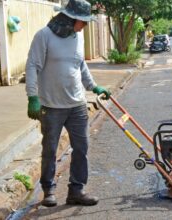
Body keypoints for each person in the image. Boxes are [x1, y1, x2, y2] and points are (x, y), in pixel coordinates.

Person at [25, 0, 110, 207]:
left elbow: (80, 66)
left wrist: (94, 86)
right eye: (83, 21)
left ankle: (77, 190)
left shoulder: (77, 37)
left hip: (77, 105)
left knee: (81, 148)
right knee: (50, 149)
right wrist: (32, 97)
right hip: (51, 106)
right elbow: (32, 66)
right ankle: (48, 191)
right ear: (71, 18)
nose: (85, 26)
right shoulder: (44, 36)